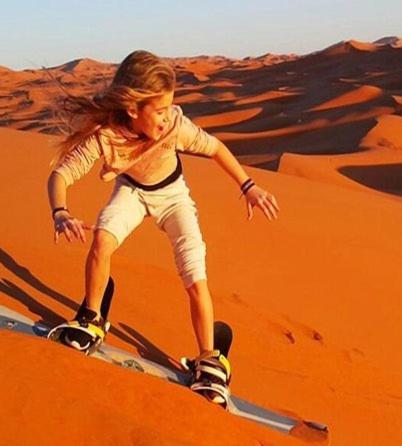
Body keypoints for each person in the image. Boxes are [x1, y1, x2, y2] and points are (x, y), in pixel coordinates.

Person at [46, 50, 280, 404]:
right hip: (132, 192)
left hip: (173, 197)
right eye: (158, 109)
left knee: (194, 274)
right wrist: (60, 212)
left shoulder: (175, 126)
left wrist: (248, 187)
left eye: (170, 106)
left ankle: (210, 359)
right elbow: (60, 174)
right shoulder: (106, 136)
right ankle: (91, 319)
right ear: (132, 108)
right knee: (102, 239)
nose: (166, 115)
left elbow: (216, 148)